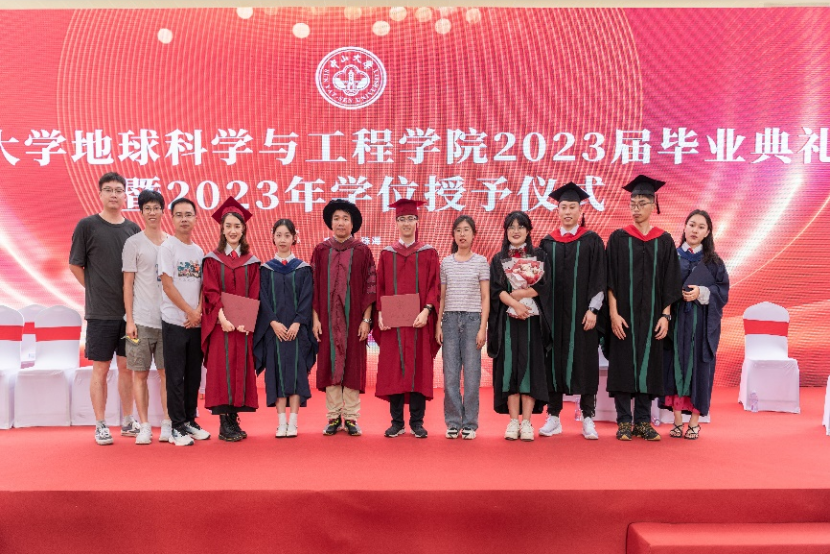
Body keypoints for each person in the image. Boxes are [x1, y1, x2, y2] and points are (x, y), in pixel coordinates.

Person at [606, 175, 682, 441]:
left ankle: (642, 421)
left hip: (652, 317)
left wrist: (665, 315)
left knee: (649, 365)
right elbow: (610, 280)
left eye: (641, 203)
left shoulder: (664, 240)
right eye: (633, 203)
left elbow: (670, 281)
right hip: (623, 316)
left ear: (653, 205)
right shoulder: (618, 238)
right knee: (623, 364)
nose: (636, 208)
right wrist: (613, 314)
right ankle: (623, 421)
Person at [69, 172, 141, 445]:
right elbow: (75, 264)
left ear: (125, 196)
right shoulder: (87, 226)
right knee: (100, 368)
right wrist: (94, 289)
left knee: (127, 368)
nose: (114, 194)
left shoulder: (133, 229)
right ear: (99, 194)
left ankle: (128, 420)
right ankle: (100, 424)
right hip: (100, 314)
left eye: (118, 190)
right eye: (108, 190)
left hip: (130, 314)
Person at [538, 182, 607, 440]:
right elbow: (540, 282)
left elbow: (599, 277)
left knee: (586, 363)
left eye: (572, 207)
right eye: (563, 207)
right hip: (555, 316)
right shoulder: (547, 243)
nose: (567, 211)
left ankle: (588, 417)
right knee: (553, 363)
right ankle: (554, 416)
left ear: (580, 210)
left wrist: (593, 309)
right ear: (557, 211)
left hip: (583, 316)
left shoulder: (592, 240)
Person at [661, 210, 729, 440]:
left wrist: (702, 292)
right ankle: (677, 420)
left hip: (700, 325)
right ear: (685, 227)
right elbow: (660, 287)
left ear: (707, 232)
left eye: (701, 227)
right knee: (675, 366)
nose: (695, 230)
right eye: (691, 225)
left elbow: (722, 291)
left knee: (699, 369)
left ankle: (694, 423)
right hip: (677, 322)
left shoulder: (714, 262)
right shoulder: (672, 257)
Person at [375, 199, 440, 439]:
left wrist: (427, 310)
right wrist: (380, 313)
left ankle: (417, 422)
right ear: (396, 223)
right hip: (394, 323)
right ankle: (397, 422)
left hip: (418, 322)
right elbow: (380, 287)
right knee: (394, 369)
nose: (406, 223)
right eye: (401, 219)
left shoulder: (428, 252)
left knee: (418, 369)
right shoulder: (387, 254)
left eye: (410, 219)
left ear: (417, 222)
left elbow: (434, 285)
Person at [311, 199, 377, 437]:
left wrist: (366, 320)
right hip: (327, 321)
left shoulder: (362, 251)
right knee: (330, 365)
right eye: (336, 218)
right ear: (331, 222)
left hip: (354, 321)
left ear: (353, 224)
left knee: (352, 366)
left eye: (345, 219)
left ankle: (350, 417)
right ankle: (333, 417)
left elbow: (370, 288)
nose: (340, 223)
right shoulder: (321, 251)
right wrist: (315, 319)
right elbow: (313, 288)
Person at [201, 197, 260, 442]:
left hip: (242, 326)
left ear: (243, 229)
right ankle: (224, 423)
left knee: (239, 368)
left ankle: (234, 419)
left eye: (237, 226)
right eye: (228, 226)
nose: (233, 230)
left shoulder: (252, 261)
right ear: (222, 230)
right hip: (221, 325)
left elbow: (255, 292)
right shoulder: (212, 260)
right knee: (222, 369)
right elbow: (210, 291)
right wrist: (222, 318)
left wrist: (247, 319)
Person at [487, 211, 550, 442]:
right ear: (505, 231)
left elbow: (544, 285)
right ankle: (513, 421)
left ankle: (527, 422)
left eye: (520, 226)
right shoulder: (498, 259)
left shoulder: (539, 255)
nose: (516, 231)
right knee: (510, 368)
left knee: (530, 368)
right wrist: (515, 303)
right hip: (508, 320)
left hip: (532, 319)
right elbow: (496, 290)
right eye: (511, 226)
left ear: (528, 230)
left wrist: (523, 296)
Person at [254, 219, 317, 438]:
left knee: (297, 376)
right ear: (273, 237)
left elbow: (307, 298)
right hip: (274, 333)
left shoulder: (303, 269)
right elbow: (262, 299)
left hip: (297, 332)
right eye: (279, 235)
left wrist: (298, 322)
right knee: (276, 375)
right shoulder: (265, 269)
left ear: (294, 238)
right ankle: (281, 423)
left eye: (287, 235)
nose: (282, 240)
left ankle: (293, 422)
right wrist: (273, 322)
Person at [122, 189, 172, 445]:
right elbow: (127, 284)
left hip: (168, 321)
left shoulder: (172, 243)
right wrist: (130, 320)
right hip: (140, 322)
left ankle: (167, 423)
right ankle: (143, 425)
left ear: (163, 211)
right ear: (141, 212)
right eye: (147, 208)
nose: (152, 212)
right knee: (139, 375)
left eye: (156, 208)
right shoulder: (133, 243)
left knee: (166, 375)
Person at [158, 197, 209, 446]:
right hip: (174, 322)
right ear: (172, 219)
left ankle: (189, 420)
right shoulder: (167, 248)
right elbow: (168, 286)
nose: (184, 219)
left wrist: (197, 311)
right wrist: (189, 312)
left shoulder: (198, 251)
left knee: (193, 376)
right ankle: (176, 426)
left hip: (195, 324)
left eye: (188, 214)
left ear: (196, 218)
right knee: (175, 377)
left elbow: (202, 287)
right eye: (179, 215)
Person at [436, 215, 489, 440]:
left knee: (472, 377)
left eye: (466, 230)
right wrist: (438, 324)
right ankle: (453, 421)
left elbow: (485, 297)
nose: (462, 234)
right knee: (450, 376)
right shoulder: (446, 263)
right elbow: (442, 296)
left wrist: (482, 327)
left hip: (472, 321)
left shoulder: (481, 262)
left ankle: (470, 423)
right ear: (453, 235)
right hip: (449, 321)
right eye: (458, 230)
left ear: (474, 234)